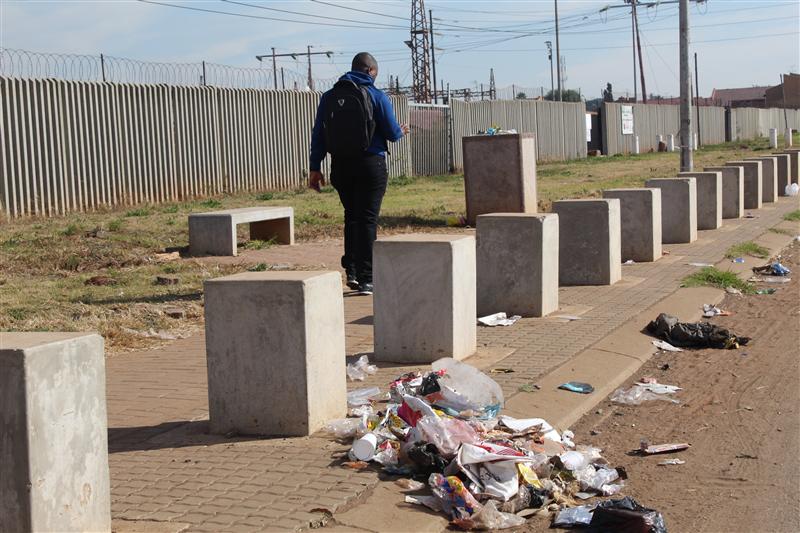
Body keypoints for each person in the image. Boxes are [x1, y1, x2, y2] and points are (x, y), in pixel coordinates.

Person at [309, 52, 409, 295]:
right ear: (371, 71)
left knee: (351, 216)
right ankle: (368, 278)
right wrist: (402, 130)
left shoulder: (329, 97)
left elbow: (318, 133)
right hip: (370, 164)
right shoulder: (376, 95)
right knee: (367, 219)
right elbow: (392, 133)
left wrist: (315, 167)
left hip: (340, 166)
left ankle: (352, 271)